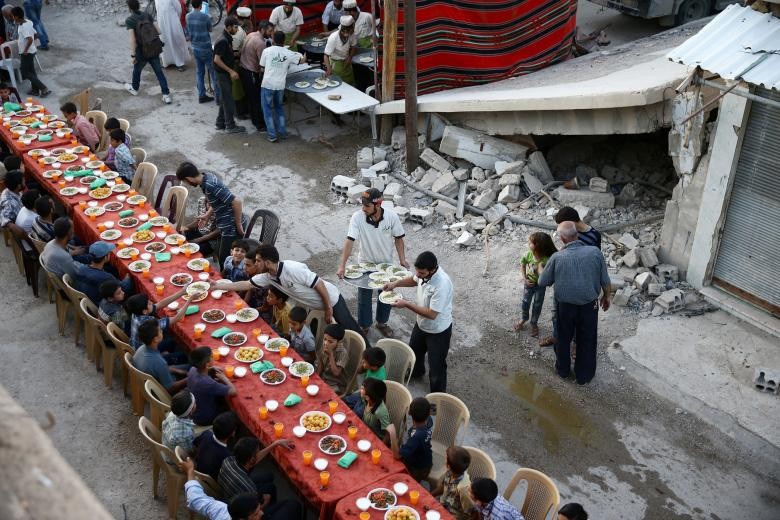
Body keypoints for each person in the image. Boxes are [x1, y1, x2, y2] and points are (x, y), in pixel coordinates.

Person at [215, 244, 364, 341]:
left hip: (331, 299)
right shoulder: (268, 276)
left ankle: (371, 360)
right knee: (318, 335)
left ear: (267, 263)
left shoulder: (292, 269)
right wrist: (217, 286)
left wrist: (329, 307)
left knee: (351, 329)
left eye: (258, 261)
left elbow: (318, 283)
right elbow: (246, 284)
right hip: (314, 305)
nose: (256, 264)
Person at [538, 221, 611, 385]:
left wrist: (541, 268)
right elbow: (605, 279)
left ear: (562, 239)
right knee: (587, 339)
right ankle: (584, 376)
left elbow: (543, 282)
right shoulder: (595, 252)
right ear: (577, 234)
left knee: (563, 338)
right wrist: (607, 297)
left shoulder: (557, 258)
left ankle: (563, 371)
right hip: (589, 306)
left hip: (565, 307)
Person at [337, 188, 407, 337]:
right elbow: (350, 241)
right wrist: (342, 265)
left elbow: (399, 238)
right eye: (362, 204)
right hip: (365, 264)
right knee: (364, 298)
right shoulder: (357, 218)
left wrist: (402, 259)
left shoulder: (392, 217)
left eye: (367, 205)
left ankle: (382, 323)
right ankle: (364, 325)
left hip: (386, 264)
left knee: (386, 295)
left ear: (378, 205)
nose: (363, 208)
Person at [384, 251, 453, 392]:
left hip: (438, 330)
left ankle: (437, 396)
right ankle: (417, 373)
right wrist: (395, 284)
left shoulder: (442, 284)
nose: (418, 274)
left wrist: (406, 304)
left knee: (436, 365)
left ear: (432, 270)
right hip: (422, 324)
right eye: (417, 271)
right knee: (415, 352)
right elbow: (414, 280)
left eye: (421, 272)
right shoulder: (424, 273)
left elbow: (432, 314)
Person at [181, 457, 302, 520]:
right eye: (256, 513)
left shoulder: (220, 511)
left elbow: (194, 499)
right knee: (294, 506)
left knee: (288, 503)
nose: (262, 513)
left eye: (259, 509)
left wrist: (190, 471)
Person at [176, 163, 245, 265]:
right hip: (224, 224)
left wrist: (238, 225)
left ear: (188, 178)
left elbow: (237, 202)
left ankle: (226, 280)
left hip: (230, 226)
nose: (187, 184)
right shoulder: (206, 178)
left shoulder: (210, 185)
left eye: (185, 182)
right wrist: (207, 215)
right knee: (224, 258)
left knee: (225, 260)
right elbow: (217, 200)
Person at [259, 30, 305, 143]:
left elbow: (261, 67)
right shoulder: (289, 53)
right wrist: (305, 54)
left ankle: (272, 135)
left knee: (267, 110)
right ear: (284, 41)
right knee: (279, 108)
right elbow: (302, 61)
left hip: (268, 84)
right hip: (280, 86)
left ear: (273, 40)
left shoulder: (267, 51)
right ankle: (283, 133)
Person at [124, 0, 172, 104]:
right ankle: (166, 95)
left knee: (137, 70)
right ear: (139, 5)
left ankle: (135, 89)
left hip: (141, 51)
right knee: (159, 72)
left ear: (129, 8)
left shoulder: (130, 20)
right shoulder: (147, 15)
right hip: (153, 49)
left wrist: (133, 55)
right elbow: (159, 31)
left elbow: (132, 40)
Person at [219, 437, 292, 505]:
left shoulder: (228, 460)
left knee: (269, 476)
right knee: (271, 488)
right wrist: (266, 498)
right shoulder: (249, 487)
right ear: (251, 460)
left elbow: (254, 459)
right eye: (258, 452)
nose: (259, 453)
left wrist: (275, 444)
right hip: (243, 505)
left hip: (231, 489)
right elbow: (257, 505)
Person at [514, 232, 557, 338]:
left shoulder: (547, 260)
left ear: (538, 247)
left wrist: (541, 269)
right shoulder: (528, 254)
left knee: (537, 305)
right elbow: (523, 265)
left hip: (540, 286)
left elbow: (548, 276)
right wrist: (524, 279)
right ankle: (524, 319)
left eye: (531, 242)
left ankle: (534, 323)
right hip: (529, 284)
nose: (528, 243)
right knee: (525, 303)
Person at [132, 320, 189, 393]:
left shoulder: (141, 348)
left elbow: (160, 368)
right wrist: (189, 378)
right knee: (192, 368)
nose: (162, 331)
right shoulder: (159, 362)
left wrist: (178, 371)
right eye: (160, 331)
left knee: (182, 360)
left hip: (152, 379)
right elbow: (170, 388)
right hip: (164, 389)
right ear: (155, 339)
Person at [187, 347, 237, 426]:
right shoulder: (208, 383)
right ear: (207, 364)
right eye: (212, 357)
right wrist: (224, 378)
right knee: (234, 412)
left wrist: (210, 368)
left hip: (195, 410)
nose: (213, 359)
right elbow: (233, 392)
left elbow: (202, 372)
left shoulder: (192, 370)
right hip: (204, 418)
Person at [212, 16, 245, 134]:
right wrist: (231, 71)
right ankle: (230, 126)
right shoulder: (223, 41)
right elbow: (217, 60)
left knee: (224, 99)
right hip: (222, 75)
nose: (237, 29)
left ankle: (220, 123)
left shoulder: (227, 38)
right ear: (229, 27)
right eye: (235, 27)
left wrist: (236, 55)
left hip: (224, 73)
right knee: (228, 100)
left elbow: (226, 55)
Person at [388, 396, 433, 482]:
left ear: (409, 413)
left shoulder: (416, 437)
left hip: (418, 469)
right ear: (428, 415)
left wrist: (392, 434)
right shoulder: (428, 422)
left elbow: (397, 455)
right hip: (426, 461)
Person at [11, 6, 49, 97]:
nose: (12, 17)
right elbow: (36, 34)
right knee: (31, 71)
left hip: (27, 53)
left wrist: (25, 50)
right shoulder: (28, 22)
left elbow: (30, 39)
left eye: (12, 16)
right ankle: (35, 90)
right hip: (32, 51)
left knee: (24, 72)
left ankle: (43, 88)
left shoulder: (23, 27)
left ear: (16, 17)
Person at [237, 8, 264, 131]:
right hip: (251, 71)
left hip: (243, 67)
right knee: (255, 98)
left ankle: (248, 114)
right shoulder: (258, 41)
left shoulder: (250, 34)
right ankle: (258, 123)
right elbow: (262, 63)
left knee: (249, 96)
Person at [186, 0, 219, 104]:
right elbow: (210, 30)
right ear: (200, 6)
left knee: (200, 73)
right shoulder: (205, 16)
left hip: (195, 47)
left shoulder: (188, 16)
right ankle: (218, 98)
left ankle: (201, 95)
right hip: (205, 47)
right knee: (213, 73)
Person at [431, 446, 473, 520]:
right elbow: (442, 487)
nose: (445, 459)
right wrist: (430, 495)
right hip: (443, 503)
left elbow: (472, 513)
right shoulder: (451, 472)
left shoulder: (464, 489)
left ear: (448, 465)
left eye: (446, 458)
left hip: (453, 515)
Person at [194, 411, 238, 480]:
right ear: (233, 433)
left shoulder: (206, 434)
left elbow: (195, 443)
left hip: (198, 470)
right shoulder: (227, 456)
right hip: (212, 480)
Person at [344, 346, 386, 415]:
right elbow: (359, 371)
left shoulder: (378, 379)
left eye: (365, 362)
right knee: (344, 400)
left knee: (356, 413)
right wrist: (364, 365)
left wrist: (361, 400)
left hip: (367, 398)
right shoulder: (375, 365)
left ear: (374, 367)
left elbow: (369, 398)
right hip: (363, 391)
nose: (363, 362)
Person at [155, 0, 189, 70]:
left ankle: (179, 63)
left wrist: (175, 18)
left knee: (175, 41)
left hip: (172, 21)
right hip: (162, 23)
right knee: (165, 42)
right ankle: (167, 62)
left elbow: (179, 9)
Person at [324, 15, 356, 86]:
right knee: (340, 86)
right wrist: (329, 69)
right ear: (342, 29)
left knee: (351, 86)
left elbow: (354, 46)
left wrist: (350, 58)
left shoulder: (351, 34)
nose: (347, 35)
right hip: (336, 64)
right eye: (345, 32)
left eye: (349, 32)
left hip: (347, 63)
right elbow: (326, 56)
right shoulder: (333, 37)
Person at [316, 323, 348, 393]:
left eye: (330, 341)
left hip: (336, 383)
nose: (326, 343)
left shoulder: (342, 353)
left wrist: (330, 355)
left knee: (322, 394)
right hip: (325, 377)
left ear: (339, 342)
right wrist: (317, 378)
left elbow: (336, 373)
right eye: (325, 339)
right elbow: (321, 363)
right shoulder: (325, 345)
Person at [360, 377, 391, 442]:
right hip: (366, 432)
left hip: (376, 440)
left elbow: (388, 433)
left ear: (368, 397)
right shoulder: (366, 400)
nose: (360, 389)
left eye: (362, 388)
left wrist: (381, 446)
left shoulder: (380, 412)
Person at [0, 169, 24, 235]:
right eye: (23, 181)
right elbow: (4, 217)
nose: (24, 182)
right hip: (23, 224)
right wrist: (10, 224)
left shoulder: (8, 190)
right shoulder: (10, 203)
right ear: (18, 186)